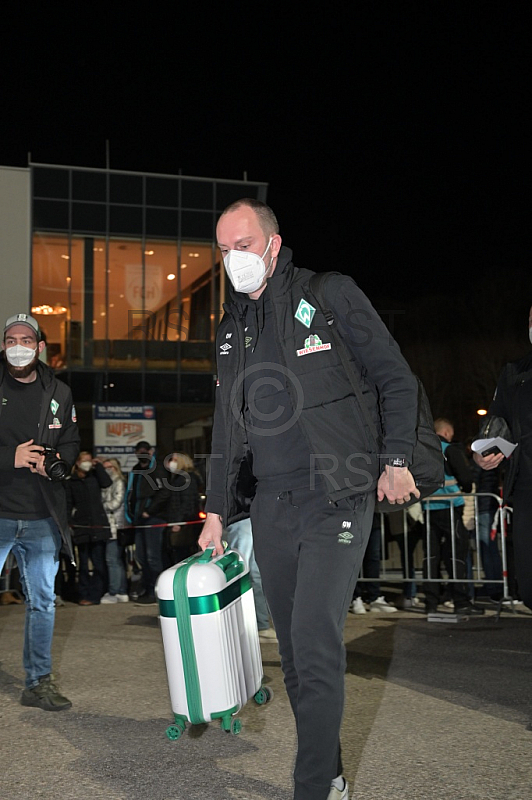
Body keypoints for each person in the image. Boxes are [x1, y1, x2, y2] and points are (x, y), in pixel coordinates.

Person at [198, 198, 420, 800]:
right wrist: (216, 509)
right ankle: (332, 773)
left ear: (272, 243)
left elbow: (396, 376)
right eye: (222, 249)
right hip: (272, 502)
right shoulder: (229, 332)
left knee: (316, 639)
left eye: (242, 245)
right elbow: (225, 427)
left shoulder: (327, 294)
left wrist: (396, 459)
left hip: (339, 492)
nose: (232, 259)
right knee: (295, 654)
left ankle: (312, 790)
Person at [0, 312, 80, 711]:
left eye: (26, 340)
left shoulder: (59, 392)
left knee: (43, 602)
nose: (18, 346)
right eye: (11, 339)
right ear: (3, 346)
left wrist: (55, 462)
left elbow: (71, 442)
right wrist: (9, 457)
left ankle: (38, 683)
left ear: (39, 346)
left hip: (42, 517)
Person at [473, 304, 532, 612]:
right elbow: (496, 423)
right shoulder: (514, 372)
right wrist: (484, 454)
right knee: (529, 583)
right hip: (526, 489)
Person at [422, 418, 484, 616]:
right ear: (447, 432)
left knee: (431, 557)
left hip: (428, 509)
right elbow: (466, 479)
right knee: (456, 556)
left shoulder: (421, 451)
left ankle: (430, 602)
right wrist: (464, 486)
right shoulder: (449, 450)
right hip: (450, 509)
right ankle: (460, 601)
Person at [125, 440, 170, 605]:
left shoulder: (158, 468)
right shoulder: (136, 470)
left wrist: (149, 510)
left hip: (153, 518)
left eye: (145, 450)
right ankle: (147, 586)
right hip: (139, 519)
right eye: (139, 450)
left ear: (150, 451)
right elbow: (131, 493)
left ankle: (156, 590)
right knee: (141, 556)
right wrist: (131, 513)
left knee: (153, 557)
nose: (141, 453)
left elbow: (165, 492)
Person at [66, 451, 112, 605]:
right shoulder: (71, 482)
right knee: (83, 564)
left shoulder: (95, 477)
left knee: (99, 563)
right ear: (78, 463)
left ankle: (96, 594)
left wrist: (98, 466)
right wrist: (69, 522)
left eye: (89, 460)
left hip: (98, 525)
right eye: (84, 461)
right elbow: (68, 504)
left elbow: (107, 483)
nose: (87, 463)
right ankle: (84, 594)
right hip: (82, 527)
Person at [225, 518, 278, 640]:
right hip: (244, 518)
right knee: (244, 572)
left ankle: (261, 624)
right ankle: (254, 624)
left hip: (248, 518)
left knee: (252, 572)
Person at [351, 514, 398, 614]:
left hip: (374, 518)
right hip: (353, 519)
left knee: (373, 558)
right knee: (356, 558)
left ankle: (375, 597)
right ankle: (356, 597)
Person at [163, 452, 203, 565]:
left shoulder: (186, 479)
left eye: (175, 460)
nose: (171, 463)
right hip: (180, 521)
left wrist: (178, 522)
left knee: (183, 554)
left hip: (185, 524)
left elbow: (188, 502)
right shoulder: (179, 478)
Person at [100, 457, 129, 603]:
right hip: (110, 526)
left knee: (112, 559)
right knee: (116, 560)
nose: (107, 469)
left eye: (109, 466)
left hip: (115, 526)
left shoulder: (118, 482)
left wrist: (100, 506)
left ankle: (115, 591)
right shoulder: (107, 484)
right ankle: (121, 590)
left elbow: (115, 503)